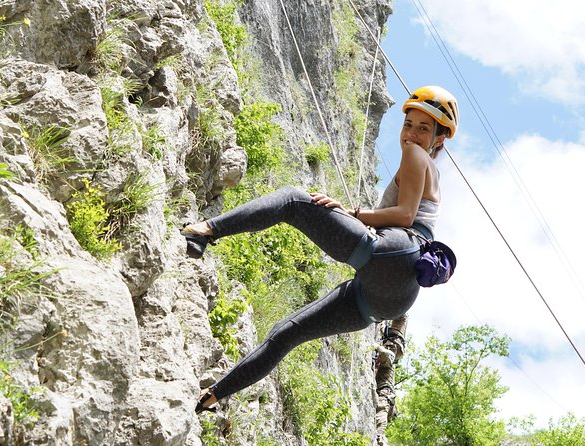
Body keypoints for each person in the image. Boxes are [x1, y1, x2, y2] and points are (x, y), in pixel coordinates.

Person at [182, 85, 460, 413]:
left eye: (423, 128)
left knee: (292, 200)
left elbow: (405, 215)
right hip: (393, 297)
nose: (411, 134)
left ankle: (204, 231)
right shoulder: (433, 173)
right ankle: (213, 396)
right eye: (408, 124)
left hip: (396, 251)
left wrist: (350, 213)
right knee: (288, 333)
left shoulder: (416, 155)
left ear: (439, 139)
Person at [374, 314, 409, 446]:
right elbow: (387, 358)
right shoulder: (388, 399)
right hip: (394, 344)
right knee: (382, 409)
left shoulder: (389, 403)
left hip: (394, 343)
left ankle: (380, 436)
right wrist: (377, 347)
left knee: (382, 409)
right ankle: (379, 436)